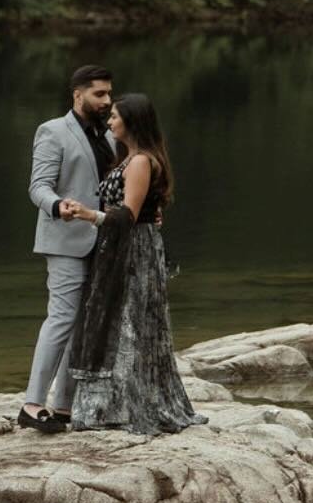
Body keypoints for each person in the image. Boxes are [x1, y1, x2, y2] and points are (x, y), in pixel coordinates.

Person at [60, 93, 205, 435]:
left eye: (115, 117)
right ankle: (115, 405)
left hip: (134, 251)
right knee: (120, 323)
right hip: (122, 247)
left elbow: (128, 216)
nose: (109, 122)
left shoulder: (140, 161)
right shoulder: (129, 159)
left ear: (132, 121)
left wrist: (86, 214)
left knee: (129, 324)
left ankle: (129, 407)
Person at [22, 64, 117, 433]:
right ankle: (32, 405)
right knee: (62, 318)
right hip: (64, 239)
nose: (107, 101)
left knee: (84, 323)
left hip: (104, 239)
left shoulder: (109, 135)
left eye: (109, 94)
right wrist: (57, 205)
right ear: (78, 95)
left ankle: (63, 405)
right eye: (99, 94)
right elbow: (38, 186)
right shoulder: (52, 131)